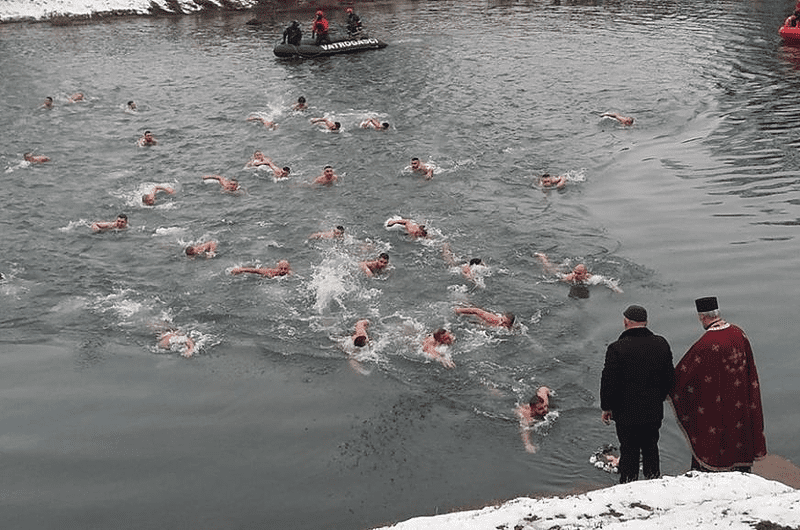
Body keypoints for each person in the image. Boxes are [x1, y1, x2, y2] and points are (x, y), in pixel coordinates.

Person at [670, 296, 766, 473]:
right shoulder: (739, 333)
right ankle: (742, 468)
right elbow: (750, 370)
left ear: (702, 317)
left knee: (717, 436)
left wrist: (667, 385)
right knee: (739, 435)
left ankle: (715, 470)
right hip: (740, 401)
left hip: (719, 405)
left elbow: (683, 375)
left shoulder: (706, 344)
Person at [600, 305, 675, 484]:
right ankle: (653, 480)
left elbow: (609, 381)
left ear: (626, 322)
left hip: (626, 412)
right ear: (646, 322)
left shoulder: (616, 348)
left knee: (628, 449)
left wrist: (606, 407)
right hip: (653, 409)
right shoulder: (661, 343)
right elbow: (670, 375)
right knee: (651, 447)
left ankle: (628, 482)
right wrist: (662, 395)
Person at [534, 252, 623, 293]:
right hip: (562, 273)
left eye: (579, 273)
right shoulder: (569, 278)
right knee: (548, 268)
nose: (576, 275)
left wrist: (616, 289)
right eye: (575, 272)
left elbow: (606, 280)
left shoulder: (591, 279)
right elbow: (555, 279)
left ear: (585, 273)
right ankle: (543, 257)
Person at [516, 386, 553, 453]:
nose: (544, 410)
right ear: (533, 409)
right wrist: (527, 444)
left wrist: (550, 393)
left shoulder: (544, 401)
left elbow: (543, 389)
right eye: (540, 409)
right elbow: (524, 430)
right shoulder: (527, 416)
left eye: (544, 407)